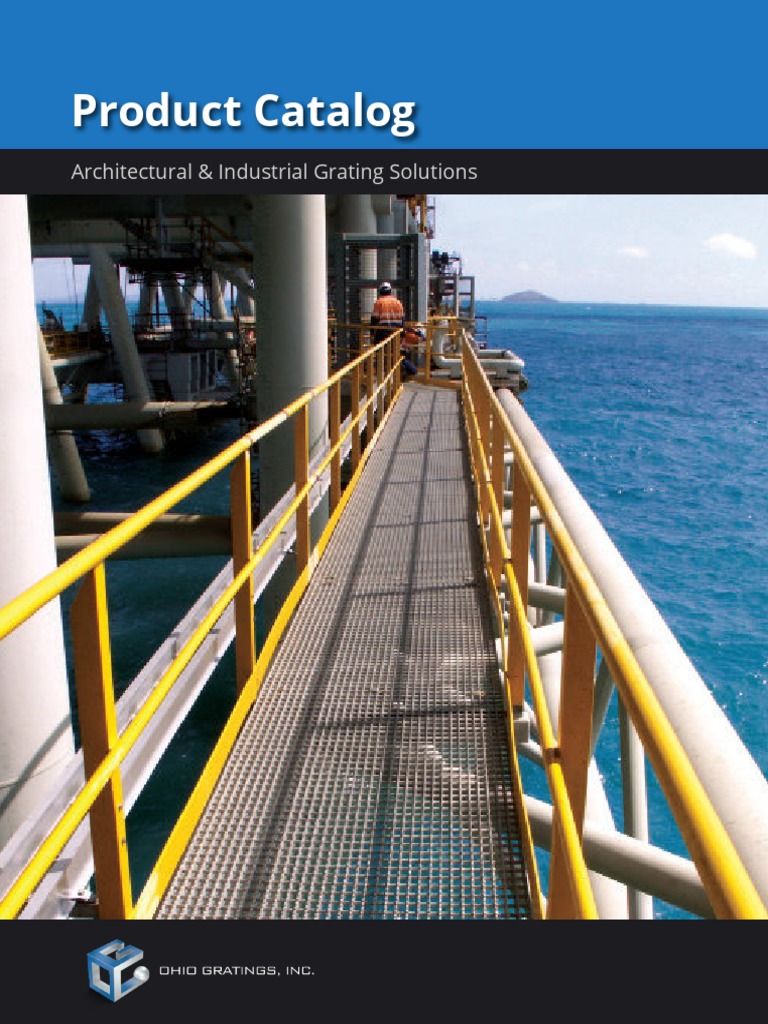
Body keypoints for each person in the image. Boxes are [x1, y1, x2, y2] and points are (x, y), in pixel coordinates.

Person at [370, 282, 416, 376]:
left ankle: (381, 372)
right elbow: (402, 320)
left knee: (379, 351)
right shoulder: (398, 302)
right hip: (396, 331)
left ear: (380, 291)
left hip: (383, 331)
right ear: (390, 291)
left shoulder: (379, 302)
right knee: (396, 353)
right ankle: (406, 370)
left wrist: (372, 333)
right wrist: (402, 333)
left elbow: (374, 319)